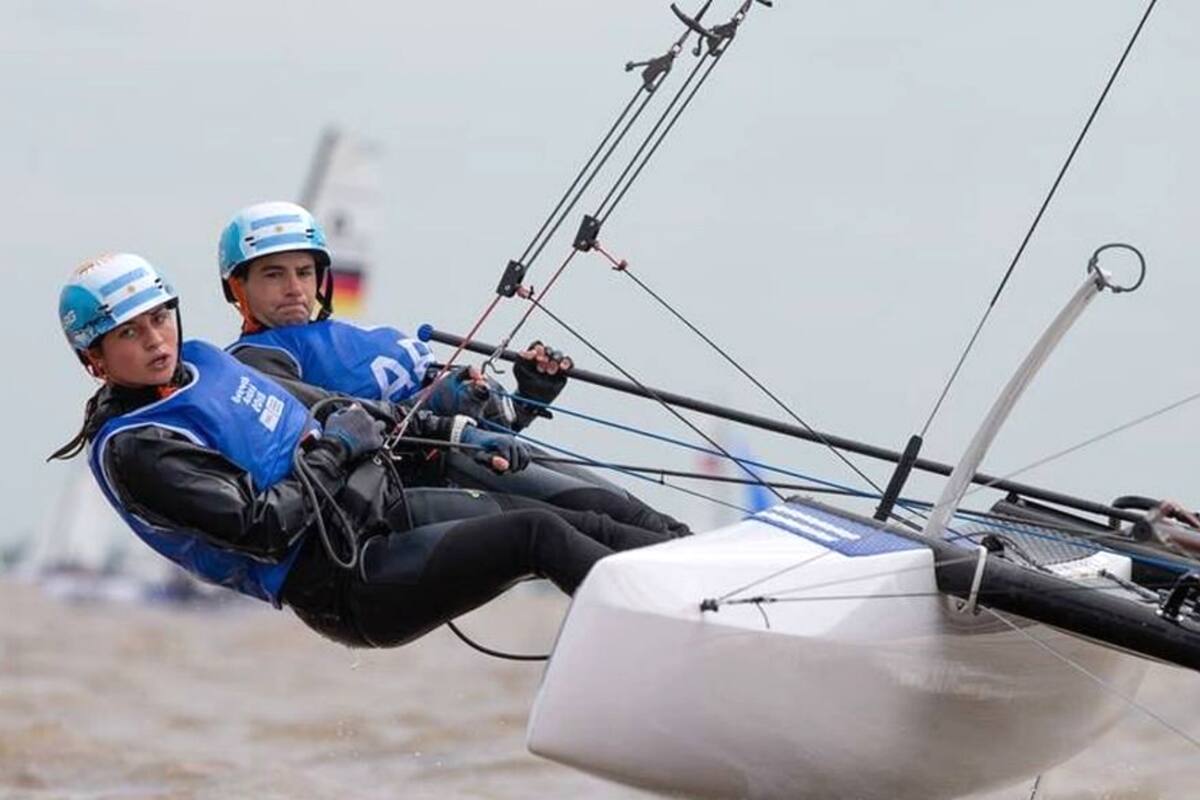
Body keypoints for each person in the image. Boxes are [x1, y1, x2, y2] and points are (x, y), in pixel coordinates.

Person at [50, 253, 674, 647]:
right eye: (128, 334)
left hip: (385, 507)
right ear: (93, 359)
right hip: (347, 579)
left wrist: (452, 415)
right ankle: (677, 629)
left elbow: (332, 410)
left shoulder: (205, 361)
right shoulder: (139, 447)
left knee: (580, 523)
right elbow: (261, 528)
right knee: (538, 535)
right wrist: (337, 449)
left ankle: (707, 577)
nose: (155, 341)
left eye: (159, 318)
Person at [217, 200, 689, 537]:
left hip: (474, 453)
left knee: (629, 510)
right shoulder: (257, 360)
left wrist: (526, 395)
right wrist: (432, 404)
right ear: (239, 287)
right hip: (421, 479)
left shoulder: (368, 337)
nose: (294, 288)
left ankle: (701, 557)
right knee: (598, 517)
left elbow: (488, 421)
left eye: (303, 272)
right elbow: (324, 427)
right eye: (273, 275)